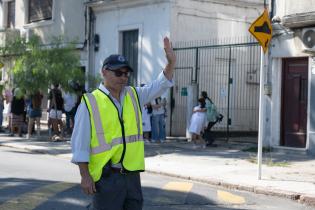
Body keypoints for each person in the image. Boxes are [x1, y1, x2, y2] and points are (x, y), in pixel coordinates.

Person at [71, 37, 176, 210]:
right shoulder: (90, 101)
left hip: (132, 176)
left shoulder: (134, 94)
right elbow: (79, 143)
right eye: (118, 73)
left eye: (126, 73)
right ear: (104, 72)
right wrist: (85, 176)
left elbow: (160, 85)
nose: (123, 77)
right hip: (106, 178)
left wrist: (171, 63)